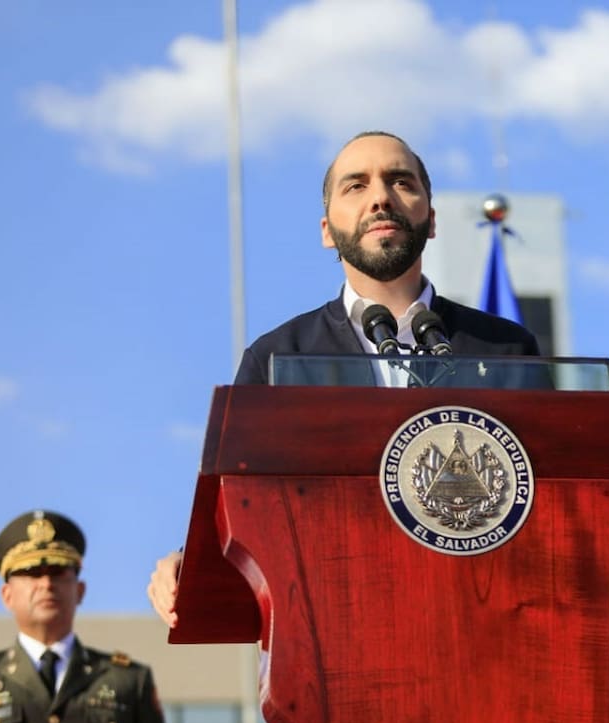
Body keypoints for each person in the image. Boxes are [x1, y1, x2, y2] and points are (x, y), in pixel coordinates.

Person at [148, 130, 541, 626]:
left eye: (401, 181)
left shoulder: (505, 349)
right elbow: (236, 509)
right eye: (355, 186)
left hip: (480, 627)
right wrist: (190, 561)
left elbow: (550, 502)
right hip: (333, 638)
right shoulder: (277, 358)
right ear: (327, 231)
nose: (380, 197)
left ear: (432, 219)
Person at [0, 510, 177, 723]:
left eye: (57, 571)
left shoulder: (127, 681)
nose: (45, 584)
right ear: (7, 595)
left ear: (79, 590)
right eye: (30, 573)